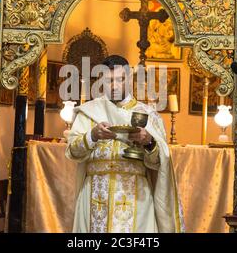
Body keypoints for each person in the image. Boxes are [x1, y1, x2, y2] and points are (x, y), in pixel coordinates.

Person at [66, 55, 185, 233]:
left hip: (137, 195)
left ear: (129, 79)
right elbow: (73, 152)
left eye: (120, 79)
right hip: (95, 195)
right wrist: (92, 135)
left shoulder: (148, 115)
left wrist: (149, 142)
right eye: (109, 80)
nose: (114, 86)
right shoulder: (89, 112)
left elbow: (161, 161)